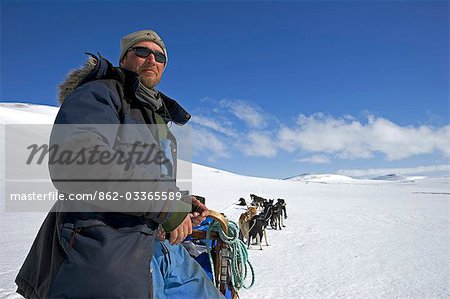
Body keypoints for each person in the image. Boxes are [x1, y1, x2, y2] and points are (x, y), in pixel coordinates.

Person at [15, 29, 224, 298]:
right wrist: (166, 204)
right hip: (107, 247)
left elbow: (148, 179)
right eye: (142, 51)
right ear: (124, 59)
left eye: (160, 56)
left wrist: (181, 204)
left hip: (161, 249)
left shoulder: (155, 118)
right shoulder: (100, 94)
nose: (152, 59)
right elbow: (78, 164)